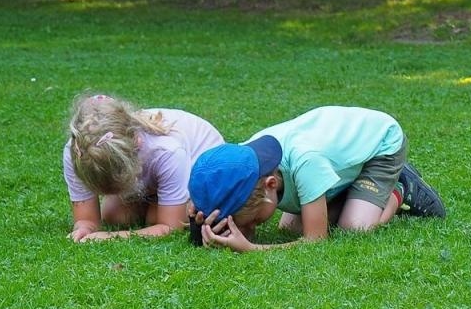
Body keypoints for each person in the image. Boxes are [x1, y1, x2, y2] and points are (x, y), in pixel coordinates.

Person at [189, 106, 445, 252]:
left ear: (270, 185)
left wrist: (251, 249)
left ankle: (400, 189)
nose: (252, 228)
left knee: (353, 228)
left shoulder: (306, 161)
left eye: (254, 219)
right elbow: (216, 182)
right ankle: (352, 190)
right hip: (334, 156)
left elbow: (315, 240)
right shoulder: (243, 162)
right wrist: (204, 219)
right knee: (289, 229)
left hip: (380, 145)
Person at [63, 92, 223, 241]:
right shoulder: (82, 152)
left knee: (154, 219)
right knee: (115, 216)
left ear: (136, 144)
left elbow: (172, 226)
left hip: (203, 173)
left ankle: (158, 203)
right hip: (154, 178)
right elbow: (86, 220)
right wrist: (85, 227)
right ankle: (154, 201)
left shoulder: (166, 151)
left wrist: (110, 236)